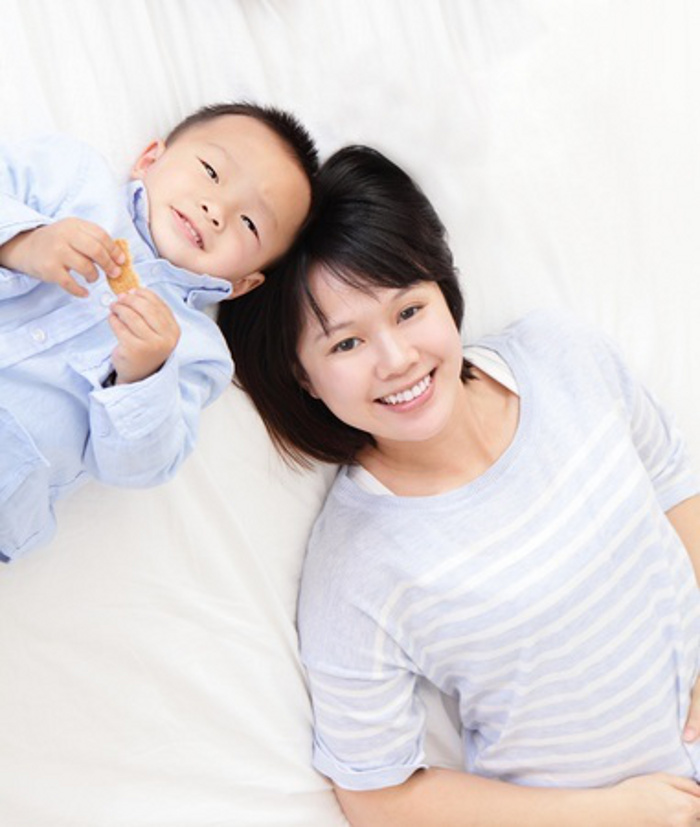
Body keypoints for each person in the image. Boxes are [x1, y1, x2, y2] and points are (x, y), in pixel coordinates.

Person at [222, 144, 700, 825]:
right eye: (345, 344)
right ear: (303, 375)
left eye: (409, 310)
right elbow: (375, 795)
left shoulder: (561, 354)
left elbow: (673, 480)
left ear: (443, 290)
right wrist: (608, 813)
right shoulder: (358, 563)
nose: (397, 359)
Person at [0, 101, 317, 562]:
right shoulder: (71, 178)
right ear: (151, 158)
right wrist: (23, 243)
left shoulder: (195, 353)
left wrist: (143, 377)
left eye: (250, 223)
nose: (216, 209)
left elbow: (138, 466)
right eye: (210, 170)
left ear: (242, 285)